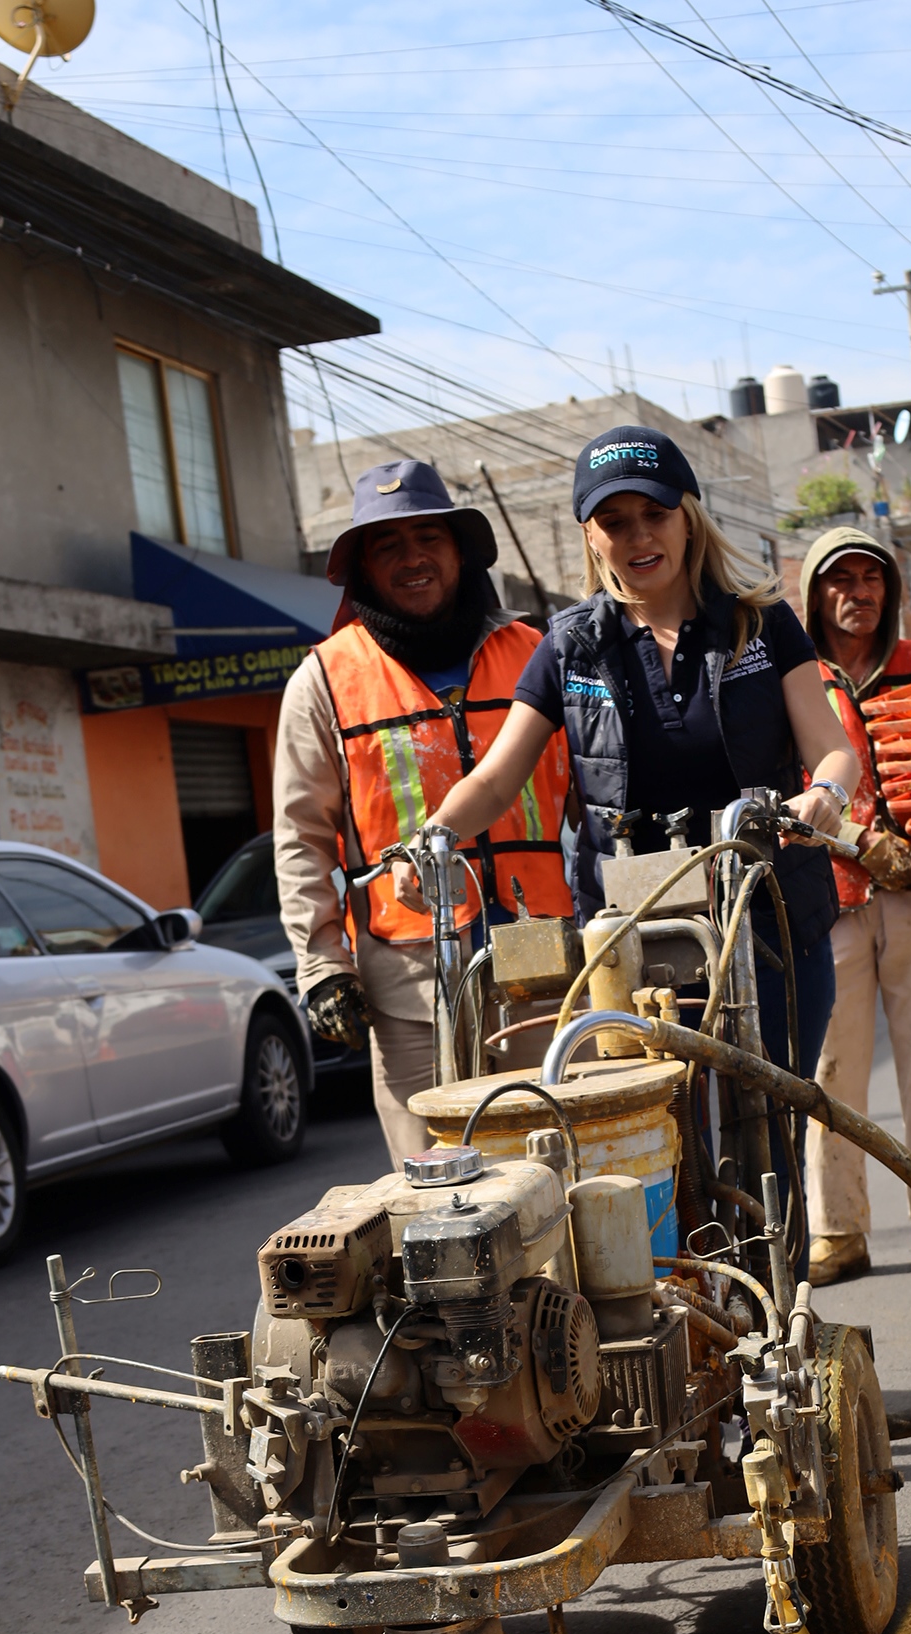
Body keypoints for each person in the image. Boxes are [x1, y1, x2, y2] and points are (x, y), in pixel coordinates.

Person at [405, 424, 860, 1256]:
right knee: (652, 1131)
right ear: (590, 536)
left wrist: (825, 793)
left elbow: (831, 744)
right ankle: (685, 1324)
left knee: (768, 1132)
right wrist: (430, 838)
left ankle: (780, 1318)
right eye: (613, 521)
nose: (637, 537)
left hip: (768, 916)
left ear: (687, 517)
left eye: (652, 513)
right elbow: (499, 778)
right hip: (634, 938)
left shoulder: (763, 626)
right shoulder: (571, 644)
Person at [273, 460, 572, 1165]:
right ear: (363, 570)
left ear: (460, 551)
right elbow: (301, 838)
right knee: (437, 1196)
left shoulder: (537, 654)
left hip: (545, 970)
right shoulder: (323, 680)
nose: (413, 559)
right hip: (410, 987)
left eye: (428, 537)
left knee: (561, 1178)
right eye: (388, 545)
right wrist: (321, 967)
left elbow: (598, 800)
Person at [794, 526, 911, 1285]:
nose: (856, 594)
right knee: (829, 1076)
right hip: (826, 901)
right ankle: (838, 1232)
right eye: (840, 581)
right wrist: (860, 840)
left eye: (871, 580)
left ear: (890, 592)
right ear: (814, 594)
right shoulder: (790, 682)